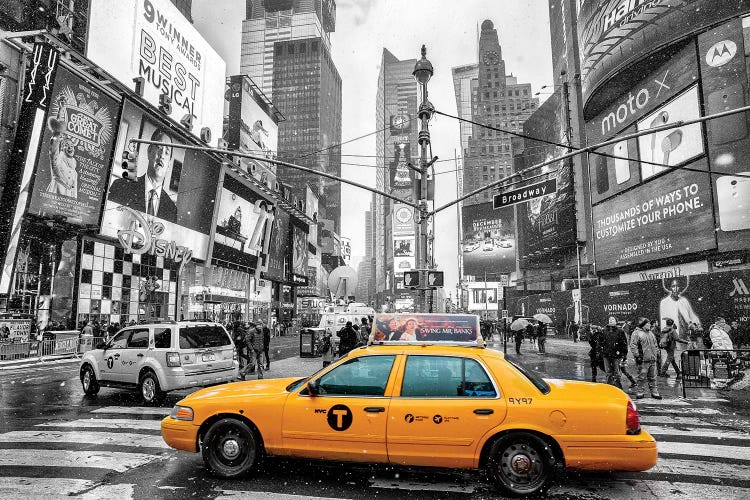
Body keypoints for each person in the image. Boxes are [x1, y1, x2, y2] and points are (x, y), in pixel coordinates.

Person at [108, 127, 178, 221]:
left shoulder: (171, 209)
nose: (161, 155)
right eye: (159, 148)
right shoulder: (121, 187)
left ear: (169, 163)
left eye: (167, 152)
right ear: (149, 151)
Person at [629, 317, 661, 399]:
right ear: (643, 325)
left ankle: (654, 392)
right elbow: (633, 345)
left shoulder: (651, 333)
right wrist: (637, 356)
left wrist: (657, 353)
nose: (649, 325)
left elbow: (655, 344)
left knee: (653, 377)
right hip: (643, 360)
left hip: (652, 359)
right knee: (641, 377)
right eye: (648, 323)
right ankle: (640, 391)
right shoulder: (636, 333)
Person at [601, 316, 628, 389]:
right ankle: (609, 388)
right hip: (606, 355)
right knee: (608, 373)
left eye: (612, 319)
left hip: (617, 355)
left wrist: (624, 354)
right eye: (609, 319)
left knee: (617, 373)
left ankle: (618, 388)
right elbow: (600, 342)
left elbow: (624, 344)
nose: (610, 320)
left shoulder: (620, 331)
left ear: (616, 321)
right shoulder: (604, 330)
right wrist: (600, 352)